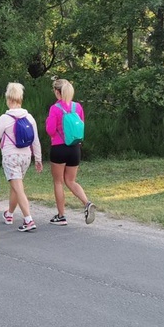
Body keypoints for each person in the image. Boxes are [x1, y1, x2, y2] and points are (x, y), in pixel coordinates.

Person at [0, 83, 43, 232]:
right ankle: (9, 214)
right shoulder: (29, 117)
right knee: (16, 187)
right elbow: (35, 140)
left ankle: (28, 219)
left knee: (18, 189)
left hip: (10, 157)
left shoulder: (4, 118)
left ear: (8, 99)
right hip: (25, 157)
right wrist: (38, 159)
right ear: (20, 98)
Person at [46, 79, 96, 225]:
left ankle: (61, 216)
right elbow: (81, 126)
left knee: (58, 182)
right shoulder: (77, 107)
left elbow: (50, 130)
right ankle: (87, 203)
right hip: (75, 148)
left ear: (57, 92)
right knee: (71, 180)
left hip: (59, 148)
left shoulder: (55, 108)